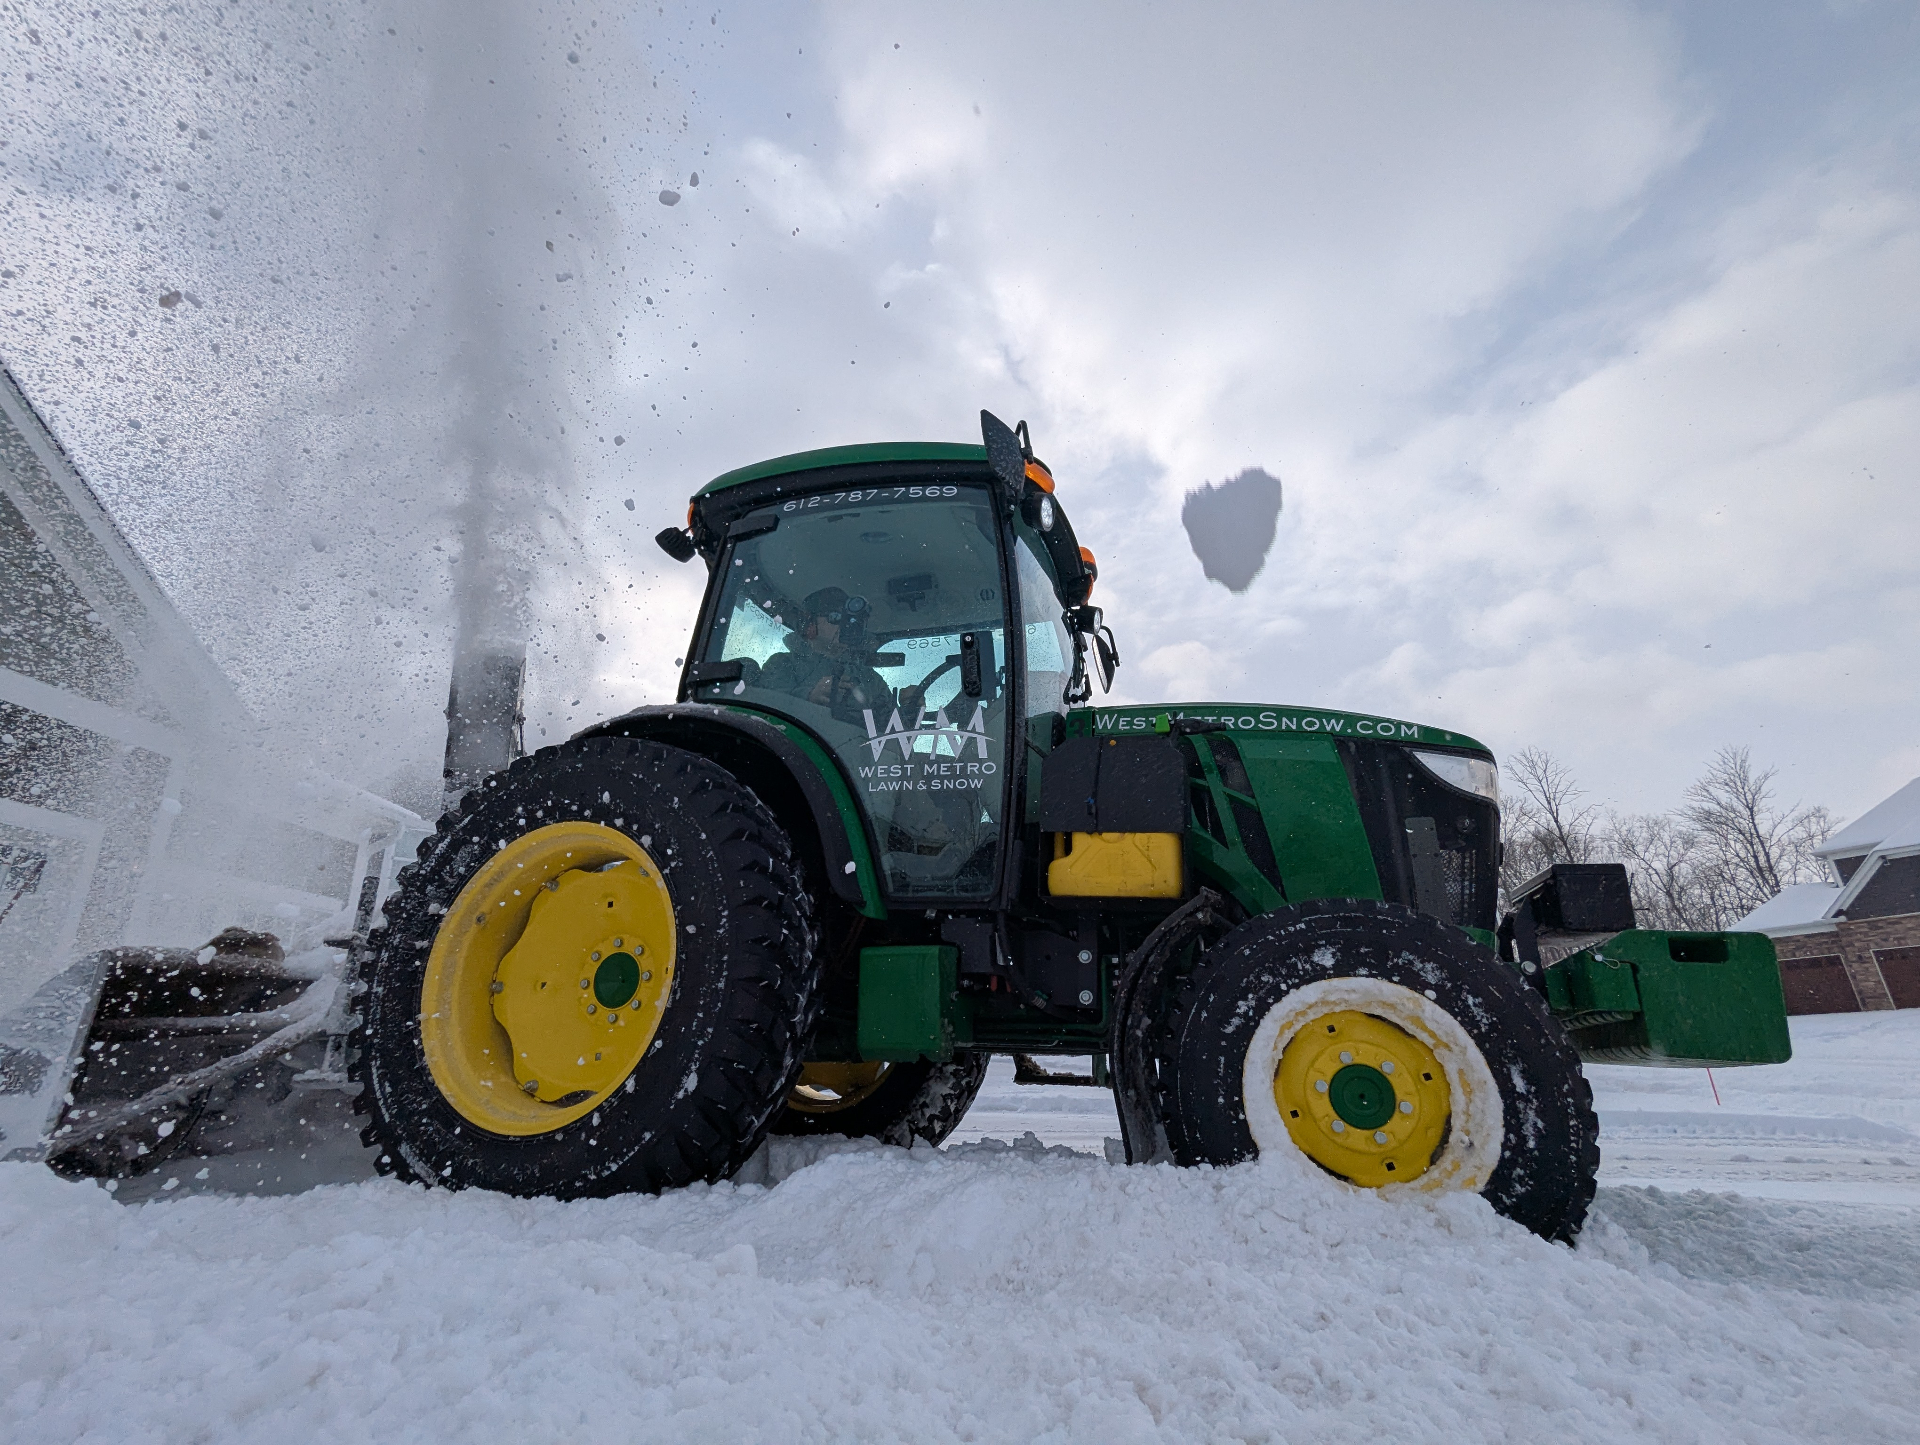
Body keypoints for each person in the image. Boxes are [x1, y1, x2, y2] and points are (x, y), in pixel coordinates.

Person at [758, 586, 899, 714]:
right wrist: (809, 697)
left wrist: (911, 708)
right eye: (836, 618)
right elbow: (764, 713)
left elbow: (897, 735)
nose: (846, 626)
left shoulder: (871, 679)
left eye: (850, 621)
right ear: (809, 623)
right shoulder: (782, 664)